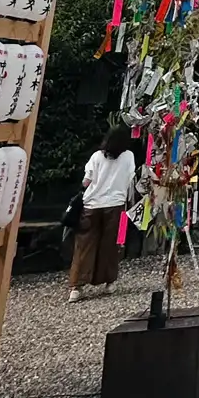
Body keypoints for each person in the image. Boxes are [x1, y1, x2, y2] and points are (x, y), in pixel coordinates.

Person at [68, 126, 135, 302]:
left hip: (91, 204)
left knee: (84, 245)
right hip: (117, 205)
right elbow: (130, 179)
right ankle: (109, 281)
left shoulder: (97, 157)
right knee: (113, 244)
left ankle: (77, 286)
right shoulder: (128, 156)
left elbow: (86, 181)